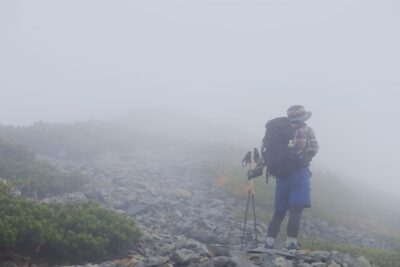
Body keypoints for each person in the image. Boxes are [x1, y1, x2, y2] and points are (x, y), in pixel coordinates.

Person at [264, 105, 319, 250]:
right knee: (296, 209)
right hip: (299, 174)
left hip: (282, 175)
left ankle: (269, 242)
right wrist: (304, 158)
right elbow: (314, 148)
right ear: (303, 118)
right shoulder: (306, 130)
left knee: (279, 210)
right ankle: (291, 243)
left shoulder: (279, 130)